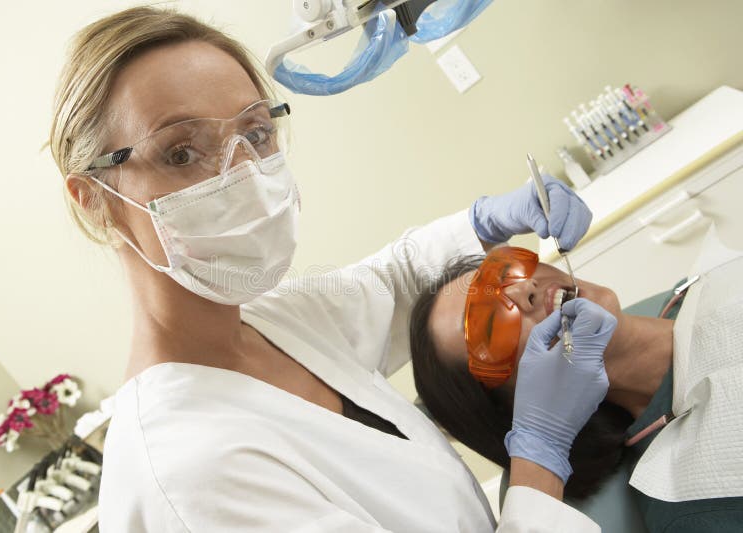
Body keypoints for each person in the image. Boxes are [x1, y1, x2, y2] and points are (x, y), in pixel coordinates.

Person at [50, 6, 608, 531]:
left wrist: (484, 222)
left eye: (256, 133)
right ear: (95, 201)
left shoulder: (270, 324)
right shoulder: (187, 475)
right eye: (179, 153)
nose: (243, 174)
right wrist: (540, 454)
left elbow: (393, 281)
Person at [410, 245, 743, 532]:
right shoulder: (693, 497)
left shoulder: (712, 274)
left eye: (504, 271)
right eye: (489, 325)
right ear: (516, 404)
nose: (524, 288)